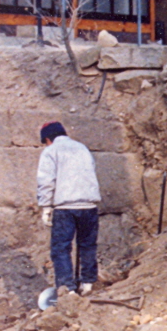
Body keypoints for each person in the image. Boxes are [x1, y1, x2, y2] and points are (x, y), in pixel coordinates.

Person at [36, 121, 101, 298]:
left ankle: (68, 290)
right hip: (89, 206)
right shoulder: (82, 148)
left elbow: (46, 181)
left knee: (61, 248)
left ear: (48, 139)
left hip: (65, 208)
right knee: (87, 245)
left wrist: (46, 206)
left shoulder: (51, 151)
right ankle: (88, 283)